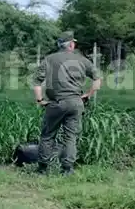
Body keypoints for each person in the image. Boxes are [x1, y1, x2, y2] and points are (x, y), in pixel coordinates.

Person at [32, 31, 102, 174]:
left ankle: (42, 169)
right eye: (73, 43)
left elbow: (37, 81)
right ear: (71, 44)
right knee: (70, 137)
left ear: (59, 45)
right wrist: (88, 95)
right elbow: (97, 79)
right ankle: (67, 169)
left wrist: (40, 100)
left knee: (48, 135)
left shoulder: (49, 59)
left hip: (55, 103)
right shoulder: (82, 60)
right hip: (76, 103)